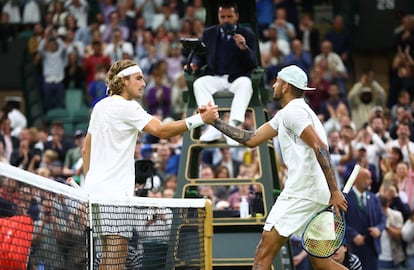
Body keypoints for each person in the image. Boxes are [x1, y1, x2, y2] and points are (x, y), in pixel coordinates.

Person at [82, 59, 218, 270]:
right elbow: (162, 131)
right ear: (123, 81)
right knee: (116, 254)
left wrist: (89, 182)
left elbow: (85, 150)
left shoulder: (99, 107)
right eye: (138, 78)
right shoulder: (128, 107)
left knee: (109, 252)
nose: (144, 83)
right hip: (114, 194)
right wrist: (200, 119)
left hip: (94, 191)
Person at [211, 64, 348, 269]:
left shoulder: (294, 112)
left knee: (262, 254)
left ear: (285, 87)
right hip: (317, 193)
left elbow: (320, 147)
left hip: (303, 192)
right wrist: (215, 122)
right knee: (321, 263)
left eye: (277, 81)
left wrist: (335, 191)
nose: (274, 85)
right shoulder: (289, 113)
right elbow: (251, 139)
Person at [188, 1, 258, 145]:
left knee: (246, 84)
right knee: (199, 83)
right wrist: (195, 64)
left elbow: (253, 64)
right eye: (223, 17)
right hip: (216, 77)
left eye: (229, 16)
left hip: (237, 78)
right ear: (219, 17)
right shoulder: (209, 33)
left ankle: (232, 126)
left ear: (236, 16)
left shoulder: (247, 34)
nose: (226, 20)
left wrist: (244, 49)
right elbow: (201, 55)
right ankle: (213, 124)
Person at [345, 167, 386, 270]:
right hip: (352, 248)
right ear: (357, 179)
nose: (370, 181)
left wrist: (378, 229)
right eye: (367, 178)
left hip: (372, 249)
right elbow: (339, 221)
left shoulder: (373, 198)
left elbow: (382, 218)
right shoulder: (344, 197)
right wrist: (353, 235)